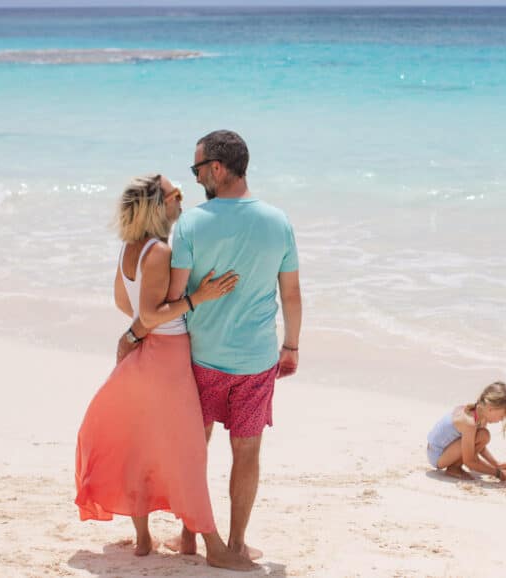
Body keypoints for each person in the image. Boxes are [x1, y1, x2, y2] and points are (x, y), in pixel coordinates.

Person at [125, 130, 302, 561]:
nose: (197, 178)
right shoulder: (279, 221)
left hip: (202, 359)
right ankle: (237, 544)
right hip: (257, 360)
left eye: (198, 169)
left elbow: (176, 297)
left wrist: (136, 325)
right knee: (247, 452)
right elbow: (291, 295)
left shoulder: (191, 224)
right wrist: (291, 347)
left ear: (217, 169)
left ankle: (189, 538)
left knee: (194, 449)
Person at [75, 174, 253, 571]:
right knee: (189, 454)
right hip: (168, 359)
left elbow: (125, 302)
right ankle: (214, 546)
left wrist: (140, 329)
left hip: (144, 360)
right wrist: (197, 298)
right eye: (176, 195)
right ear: (160, 205)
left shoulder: (130, 250)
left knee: (140, 448)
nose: (181, 199)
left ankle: (143, 539)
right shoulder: (157, 252)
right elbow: (153, 315)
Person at [426, 381, 506, 481]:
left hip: (443, 450)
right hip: (437, 455)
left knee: (483, 435)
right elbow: (469, 461)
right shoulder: (469, 423)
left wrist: (496, 463)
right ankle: (454, 468)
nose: (501, 420)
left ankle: (455, 465)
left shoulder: (478, 413)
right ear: (491, 409)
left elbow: (478, 445)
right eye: (502, 416)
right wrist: (499, 474)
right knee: (483, 436)